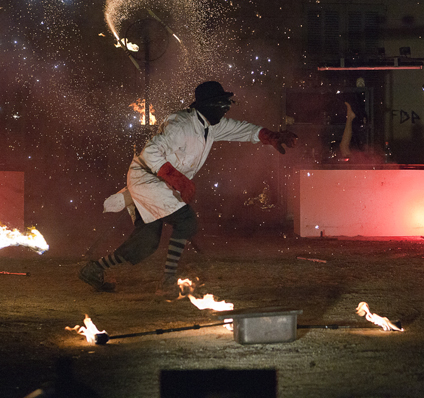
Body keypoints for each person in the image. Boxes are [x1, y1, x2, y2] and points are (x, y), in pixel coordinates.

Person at [79, 81, 298, 294]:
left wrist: (272, 137)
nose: (226, 109)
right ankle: (168, 281)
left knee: (146, 242)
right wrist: (180, 181)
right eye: (222, 104)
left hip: (160, 183)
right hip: (147, 180)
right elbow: (150, 153)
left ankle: (94, 269)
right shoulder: (181, 124)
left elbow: (242, 130)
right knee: (186, 220)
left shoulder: (210, 126)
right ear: (209, 104)